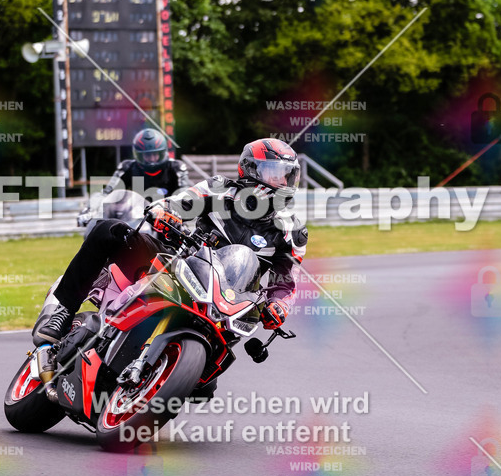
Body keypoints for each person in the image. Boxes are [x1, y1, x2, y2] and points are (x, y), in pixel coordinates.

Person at [36, 138, 307, 344]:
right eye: (274, 173)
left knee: (203, 386)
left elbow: (286, 284)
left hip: (227, 307)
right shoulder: (220, 188)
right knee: (107, 230)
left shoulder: (292, 231)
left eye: (287, 174)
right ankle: (65, 310)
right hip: (179, 269)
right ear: (250, 170)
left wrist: (278, 306)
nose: (282, 182)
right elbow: (179, 203)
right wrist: (164, 212)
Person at [78, 129, 189, 229]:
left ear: (162, 153)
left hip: (169, 223)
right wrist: (90, 209)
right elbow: (107, 193)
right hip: (137, 222)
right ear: (139, 155)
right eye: (147, 155)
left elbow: (185, 196)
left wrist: (175, 212)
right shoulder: (127, 167)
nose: (151, 159)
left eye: (155, 154)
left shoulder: (176, 168)